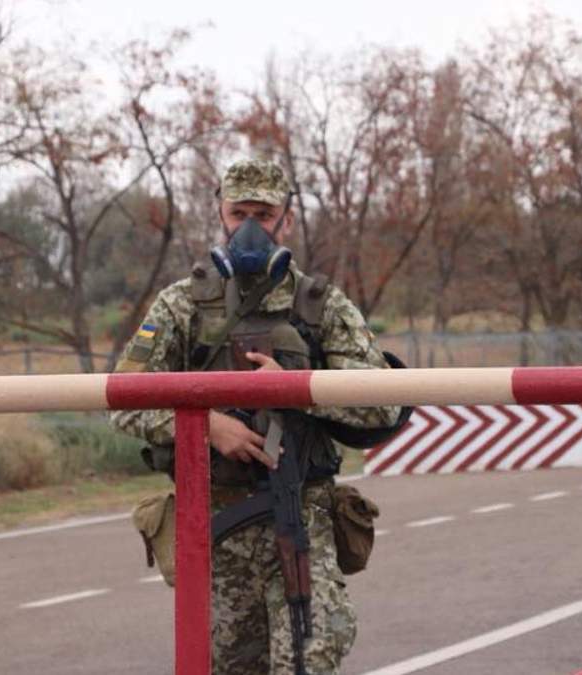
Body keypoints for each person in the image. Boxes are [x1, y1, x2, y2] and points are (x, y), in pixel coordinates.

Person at [112, 158, 406, 674]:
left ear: (286, 221)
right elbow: (124, 400)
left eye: (264, 215)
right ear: (220, 215)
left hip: (301, 518)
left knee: (308, 658)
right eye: (239, 213)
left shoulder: (320, 305)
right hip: (216, 529)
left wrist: (299, 389)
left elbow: (384, 402)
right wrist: (205, 425)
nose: (250, 228)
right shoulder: (182, 304)